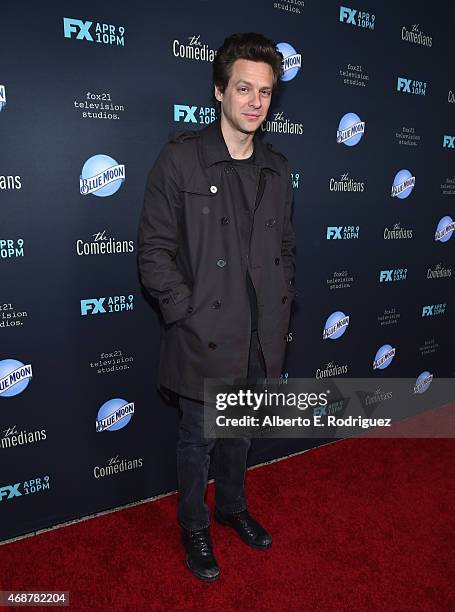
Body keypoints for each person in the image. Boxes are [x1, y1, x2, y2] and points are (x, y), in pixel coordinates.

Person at [137, 32, 296, 582]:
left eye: (266, 92)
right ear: (219, 92)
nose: (255, 102)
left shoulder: (277, 169)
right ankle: (193, 523)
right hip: (204, 335)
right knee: (198, 439)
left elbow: (284, 249)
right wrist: (187, 311)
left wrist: (280, 303)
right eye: (244, 88)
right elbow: (153, 251)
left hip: (259, 336)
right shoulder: (181, 160)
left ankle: (231, 508)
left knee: (240, 433)